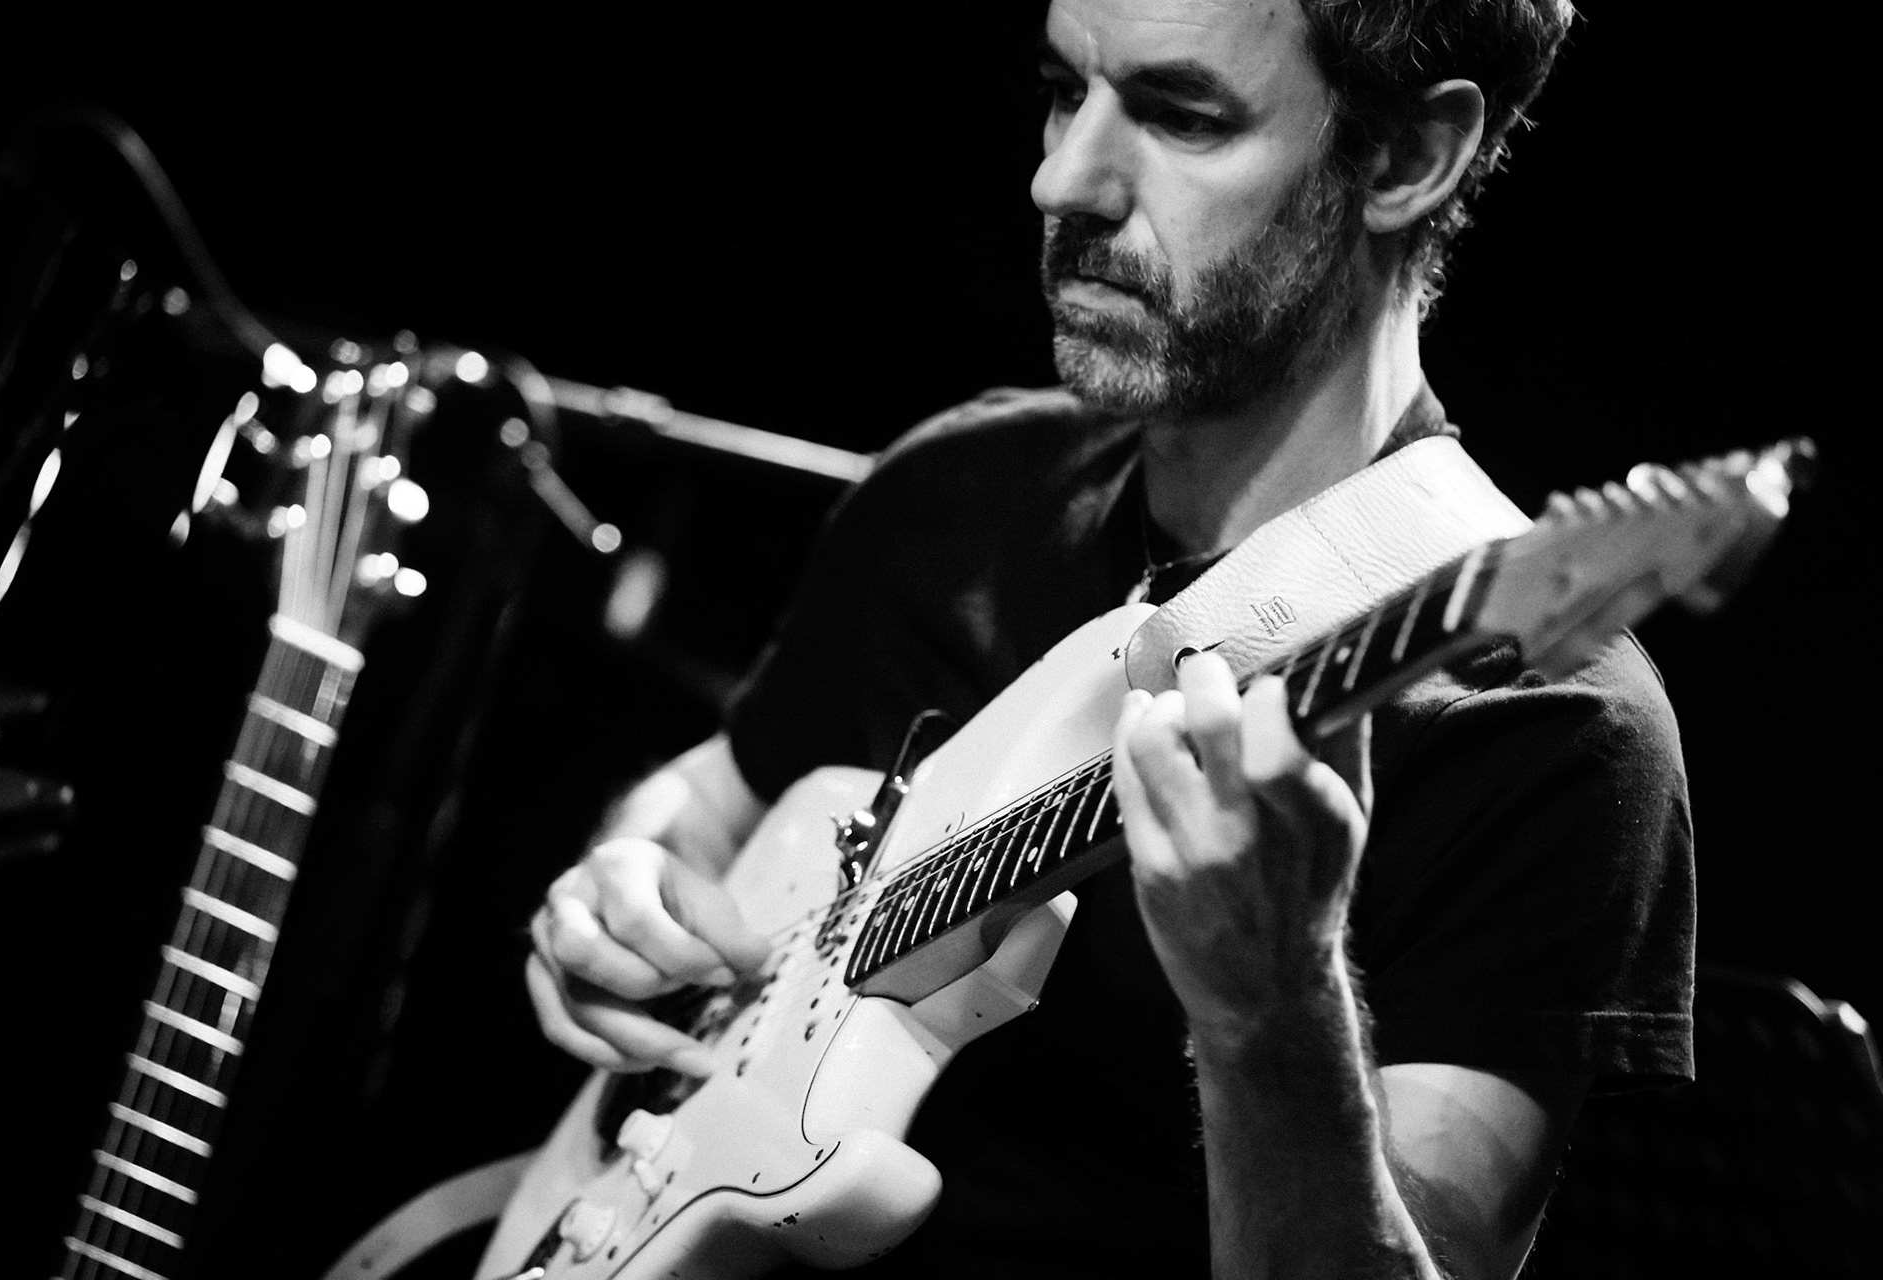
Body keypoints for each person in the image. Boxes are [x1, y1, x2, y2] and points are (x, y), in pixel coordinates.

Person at [526, 2, 1695, 1277]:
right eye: (1060, 89)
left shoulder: (1547, 726)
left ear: (1409, 159)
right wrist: (627, 881)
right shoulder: (959, 492)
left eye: (1182, 115)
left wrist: (1275, 1004)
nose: (1062, 179)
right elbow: (707, 802)